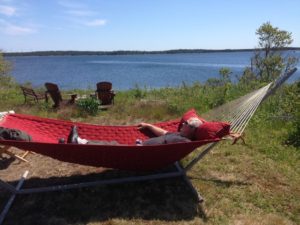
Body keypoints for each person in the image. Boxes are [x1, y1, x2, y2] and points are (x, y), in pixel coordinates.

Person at [65, 117, 203, 146]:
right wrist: (149, 125)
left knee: (113, 146)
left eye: (186, 123)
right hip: (140, 146)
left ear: (191, 129)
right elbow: (163, 133)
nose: (182, 124)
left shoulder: (185, 142)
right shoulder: (178, 134)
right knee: (113, 141)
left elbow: (167, 148)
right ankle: (80, 141)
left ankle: (79, 142)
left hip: (141, 153)